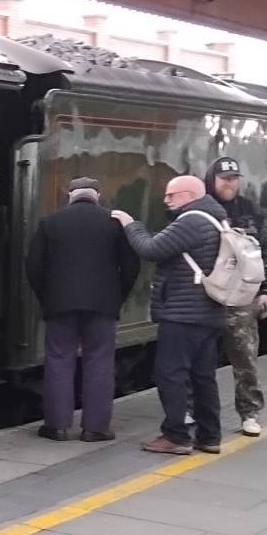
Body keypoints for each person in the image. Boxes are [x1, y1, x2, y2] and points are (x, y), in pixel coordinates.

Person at [112, 174, 227, 455]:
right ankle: (209, 436)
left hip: (183, 313)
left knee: (170, 374)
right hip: (208, 312)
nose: (166, 200)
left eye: (171, 195)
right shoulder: (216, 219)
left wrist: (131, 224)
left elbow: (151, 249)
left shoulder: (192, 220)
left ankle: (175, 436)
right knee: (203, 376)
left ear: (190, 195)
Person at [25, 177, 139, 441]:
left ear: (70, 194)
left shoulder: (50, 222)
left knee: (59, 359)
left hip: (60, 304)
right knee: (100, 361)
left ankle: (57, 427)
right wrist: (117, 298)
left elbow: (33, 266)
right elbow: (131, 266)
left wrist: (47, 298)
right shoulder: (114, 222)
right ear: (97, 195)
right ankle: (95, 429)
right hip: (103, 306)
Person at [204, 157, 267, 436]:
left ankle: (250, 412)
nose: (230, 184)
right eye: (225, 179)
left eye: (234, 179)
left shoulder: (250, 211)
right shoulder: (201, 209)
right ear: (212, 180)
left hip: (243, 296)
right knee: (200, 358)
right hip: (207, 295)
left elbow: (264, 252)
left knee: (245, 357)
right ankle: (193, 408)